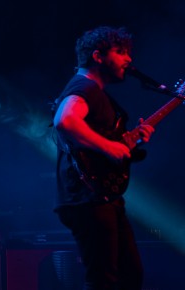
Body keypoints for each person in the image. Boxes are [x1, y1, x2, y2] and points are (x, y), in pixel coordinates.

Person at [51, 26, 155, 290]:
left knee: (129, 276)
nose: (128, 59)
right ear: (97, 56)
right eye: (120, 52)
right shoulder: (84, 86)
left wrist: (131, 140)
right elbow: (65, 120)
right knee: (104, 280)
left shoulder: (95, 92)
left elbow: (93, 140)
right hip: (88, 198)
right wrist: (109, 148)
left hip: (102, 196)